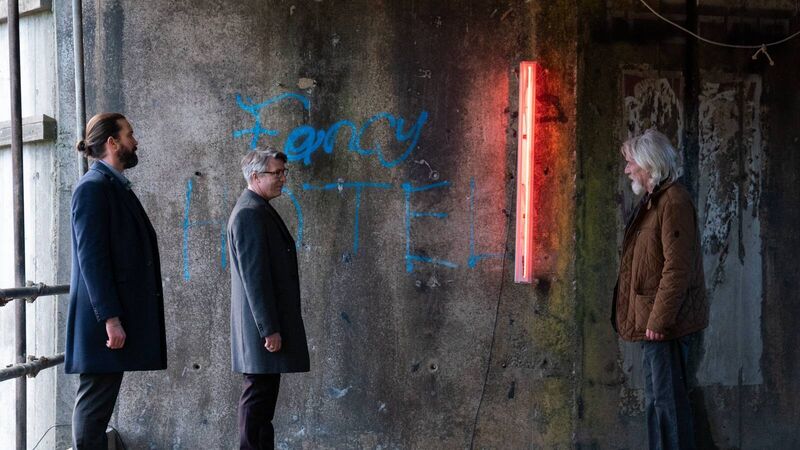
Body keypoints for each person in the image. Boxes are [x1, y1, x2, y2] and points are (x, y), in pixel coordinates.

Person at [65, 113, 167, 449]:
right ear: (112, 142)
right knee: (93, 409)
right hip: (102, 320)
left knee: (98, 407)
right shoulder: (93, 188)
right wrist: (110, 318)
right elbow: (91, 260)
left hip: (109, 317)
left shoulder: (110, 185)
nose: (135, 142)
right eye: (129, 134)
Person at [612, 129, 708, 450]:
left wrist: (659, 320)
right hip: (655, 324)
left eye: (631, 163)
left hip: (665, 325)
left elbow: (677, 268)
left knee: (668, 405)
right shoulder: (655, 201)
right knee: (658, 402)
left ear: (650, 165)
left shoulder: (673, 202)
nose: (627, 169)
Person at [228, 149, 310, 450]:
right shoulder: (249, 213)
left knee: (262, 404)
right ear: (255, 176)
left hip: (262, 327)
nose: (283, 178)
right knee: (257, 400)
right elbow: (255, 278)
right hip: (260, 330)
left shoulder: (257, 208)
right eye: (277, 173)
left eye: (284, 172)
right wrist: (269, 329)